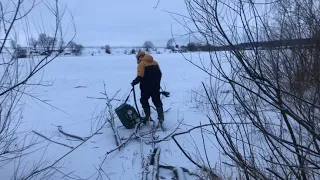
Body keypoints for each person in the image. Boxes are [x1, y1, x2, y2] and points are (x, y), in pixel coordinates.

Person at [131, 50, 164, 122]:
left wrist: (134, 82)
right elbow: (160, 74)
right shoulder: (155, 62)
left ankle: (147, 117)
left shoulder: (141, 64)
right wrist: (156, 83)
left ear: (139, 57)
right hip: (155, 86)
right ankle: (161, 118)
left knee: (144, 100)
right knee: (157, 101)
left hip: (145, 87)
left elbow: (140, 76)